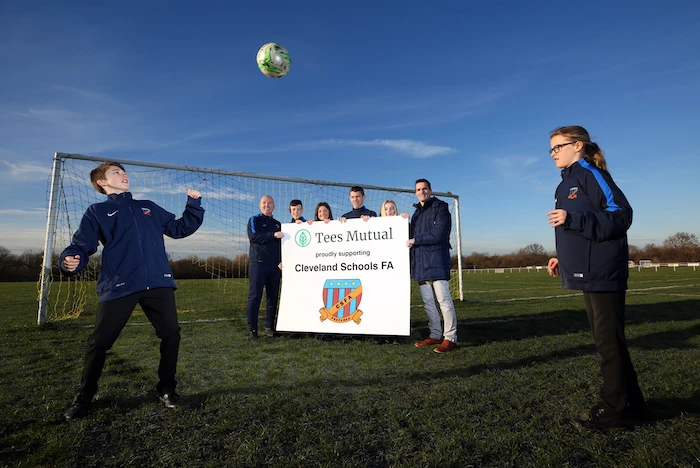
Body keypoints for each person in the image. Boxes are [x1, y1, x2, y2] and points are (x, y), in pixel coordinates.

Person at [60, 162, 204, 421]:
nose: (123, 174)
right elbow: (82, 245)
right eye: (116, 172)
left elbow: (179, 229)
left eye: (123, 171)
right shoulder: (97, 211)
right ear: (102, 183)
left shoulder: (147, 206)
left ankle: (167, 390)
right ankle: (84, 397)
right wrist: (71, 258)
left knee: (171, 335)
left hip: (158, 283)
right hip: (120, 285)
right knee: (100, 343)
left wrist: (193, 205)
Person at [546, 125, 647, 431]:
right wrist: (562, 257)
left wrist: (572, 217)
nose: (553, 154)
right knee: (610, 342)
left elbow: (620, 214)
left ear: (578, 145)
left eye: (558, 147)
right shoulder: (565, 183)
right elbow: (576, 233)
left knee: (608, 344)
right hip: (587, 271)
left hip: (604, 271)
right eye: (550, 149)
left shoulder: (591, 173)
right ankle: (633, 406)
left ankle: (614, 411)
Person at [408, 179, 458, 354]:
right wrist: (401, 222)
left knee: (443, 300)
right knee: (428, 303)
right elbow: (409, 235)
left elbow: (439, 233)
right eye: (418, 189)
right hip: (421, 263)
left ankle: (450, 337)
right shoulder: (416, 214)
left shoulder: (440, 207)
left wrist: (416, 240)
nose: (421, 192)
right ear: (415, 192)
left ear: (430, 190)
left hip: (436, 261)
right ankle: (435, 334)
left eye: (424, 189)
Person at [246, 195, 284, 340]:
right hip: (258, 265)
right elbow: (253, 237)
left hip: (274, 268)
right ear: (260, 205)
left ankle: (269, 328)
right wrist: (273, 235)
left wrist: (281, 261)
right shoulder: (254, 220)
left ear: (274, 205)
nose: (267, 205)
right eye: (264, 203)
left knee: (272, 298)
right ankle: (253, 330)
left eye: (269, 203)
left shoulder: (278, 223)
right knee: (255, 297)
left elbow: (283, 246)